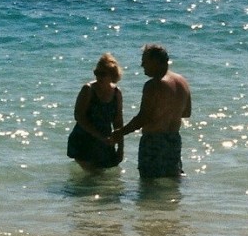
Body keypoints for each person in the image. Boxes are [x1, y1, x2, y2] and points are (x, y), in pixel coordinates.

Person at [110, 44, 192, 179]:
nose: (142, 65)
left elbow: (143, 117)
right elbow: (186, 112)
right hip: (174, 140)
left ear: (155, 62)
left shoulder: (153, 85)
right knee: (172, 181)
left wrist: (120, 133)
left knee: (148, 184)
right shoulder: (182, 81)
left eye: (145, 61)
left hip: (154, 142)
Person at [67, 53, 124, 171]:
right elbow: (79, 116)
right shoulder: (88, 90)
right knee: (94, 175)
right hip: (83, 140)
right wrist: (99, 136)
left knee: (101, 177)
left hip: (104, 142)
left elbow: (118, 121)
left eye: (102, 74)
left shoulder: (116, 93)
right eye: (96, 73)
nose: (98, 77)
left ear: (112, 75)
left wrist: (121, 148)